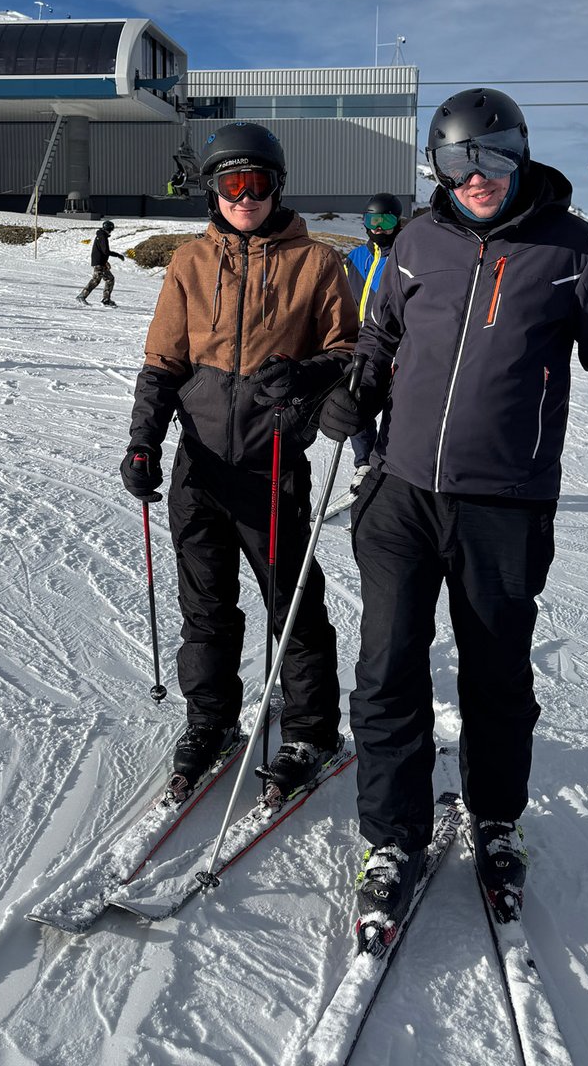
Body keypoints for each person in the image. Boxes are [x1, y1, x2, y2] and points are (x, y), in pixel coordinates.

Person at [318, 88, 588, 946]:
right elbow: (380, 337)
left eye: (493, 156)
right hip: (402, 491)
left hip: (506, 501)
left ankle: (495, 819)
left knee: (496, 676)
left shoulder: (570, 249)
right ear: (437, 166)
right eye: (457, 160)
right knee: (387, 668)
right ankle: (393, 837)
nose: (476, 176)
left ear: (521, 155)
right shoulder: (416, 241)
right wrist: (358, 390)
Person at [120, 121, 359, 800]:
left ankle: (311, 729)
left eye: (258, 183)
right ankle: (211, 719)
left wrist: (305, 376)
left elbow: (349, 351)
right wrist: (144, 441)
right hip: (200, 466)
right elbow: (163, 361)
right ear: (214, 191)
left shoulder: (317, 263)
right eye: (232, 184)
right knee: (206, 607)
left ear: (277, 187)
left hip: (271, 462)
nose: (245, 197)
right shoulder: (190, 262)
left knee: (293, 605)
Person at [341, 193, 403, 493]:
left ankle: (391, 464)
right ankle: (364, 462)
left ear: (397, 223)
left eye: (386, 221)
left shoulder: (404, 258)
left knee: (396, 404)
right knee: (356, 401)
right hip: (359, 344)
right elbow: (339, 298)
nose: (378, 228)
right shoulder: (355, 258)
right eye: (372, 220)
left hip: (394, 346)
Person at [77, 221, 125, 306]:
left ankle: (106, 300)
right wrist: (117, 255)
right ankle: (82, 296)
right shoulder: (102, 237)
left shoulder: (101, 236)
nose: (111, 232)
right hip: (98, 263)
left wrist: (105, 261)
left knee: (110, 279)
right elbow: (105, 251)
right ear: (108, 229)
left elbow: (102, 251)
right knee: (96, 280)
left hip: (100, 262)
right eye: (111, 230)